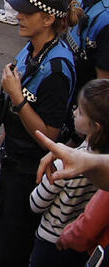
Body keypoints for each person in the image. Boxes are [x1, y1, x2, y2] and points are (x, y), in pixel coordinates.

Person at [0, 0, 78, 267]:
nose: (19, 15)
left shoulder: (56, 68)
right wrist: (7, 132)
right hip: (13, 157)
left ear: (48, 19)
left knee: (12, 246)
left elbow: (50, 133)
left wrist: (17, 97)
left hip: (30, 170)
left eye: (27, 12)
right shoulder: (32, 48)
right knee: (1, 229)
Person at [28, 79, 107, 266]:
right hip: (84, 248)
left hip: (53, 240)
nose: (73, 112)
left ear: (95, 126)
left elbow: (36, 203)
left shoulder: (65, 163)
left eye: (79, 111)